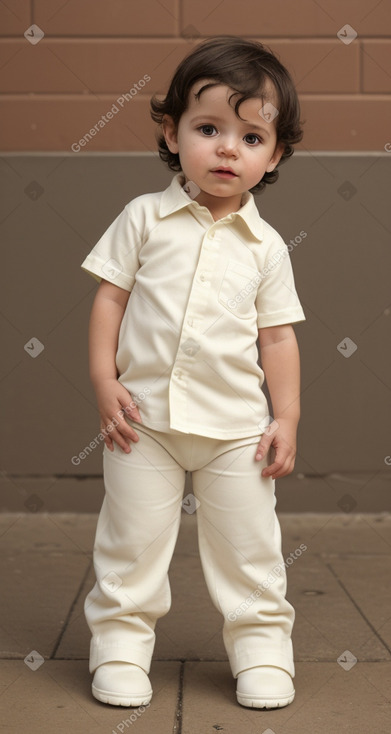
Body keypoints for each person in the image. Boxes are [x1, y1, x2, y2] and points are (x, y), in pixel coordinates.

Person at [81, 35, 306, 710]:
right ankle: (119, 648)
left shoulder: (266, 247)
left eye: (251, 136)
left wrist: (286, 416)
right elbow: (109, 299)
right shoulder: (143, 219)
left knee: (250, 548)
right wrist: (102, 380)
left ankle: (263, 652)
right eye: (208, 129)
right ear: (171, 133)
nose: (227, 149)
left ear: (275, 155)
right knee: (132, 541)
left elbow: (277, 338)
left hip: (237, 429)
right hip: (140, 421)